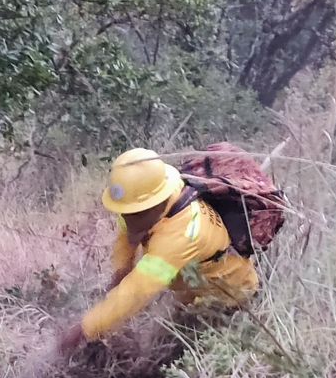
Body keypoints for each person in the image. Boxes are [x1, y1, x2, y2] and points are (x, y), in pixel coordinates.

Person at [59, 148, 258, 354]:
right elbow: (125, 236)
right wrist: (121, 270)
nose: (128, 220)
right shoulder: (151, 202)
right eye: (124, 212)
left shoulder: (181, 236)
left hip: (227, 298)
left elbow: (137, 292)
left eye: (135, 213)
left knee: (190, 356)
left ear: (157, 203)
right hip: (192, 285)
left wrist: (85, 330)